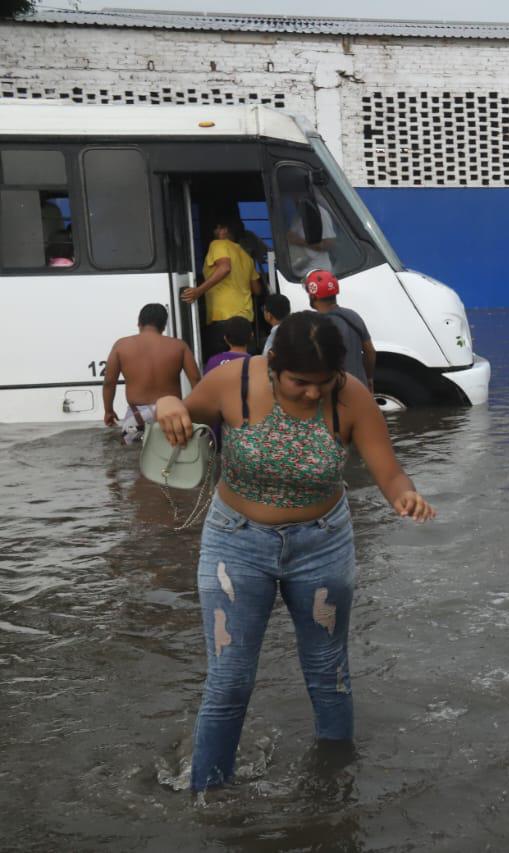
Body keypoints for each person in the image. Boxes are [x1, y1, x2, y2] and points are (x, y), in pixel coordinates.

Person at [153, 311, 436, 793]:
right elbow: (179, 417)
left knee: (329, 674)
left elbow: (389, 471)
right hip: (236, 543)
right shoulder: (232, 382)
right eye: (299, 382)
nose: (312, 393)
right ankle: (209, 797)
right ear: (273, 365)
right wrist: (166, 402)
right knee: (229, 681)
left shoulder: (351, 397)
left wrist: (404, 496)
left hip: (322, 545)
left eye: (323, 382)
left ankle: (335, 790)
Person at [102, 304, 200, 444]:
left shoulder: (121, 345)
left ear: (139, 323)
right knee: (174, 453)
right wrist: (196, 411)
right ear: (164, 326)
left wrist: (108, 411)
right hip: (171, 414)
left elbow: (109, 382)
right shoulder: (179, 346)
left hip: (137, 416)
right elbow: (195, 379)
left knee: (133, 456)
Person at [182, 216, 261, 360]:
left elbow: (225, 268)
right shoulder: (246, 256)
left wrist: (198, 291)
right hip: (245, 318)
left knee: (221, 365)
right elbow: (257, 290)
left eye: (217, 228)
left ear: (224, 230)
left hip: (224, 317)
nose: (215, 231)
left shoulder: (218, 244)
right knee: (244, 364)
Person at [305, 270, 376, 391]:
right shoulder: (353, 316)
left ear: (312, 296)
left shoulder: (314, 325)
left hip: (335, 392)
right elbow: (370, 351)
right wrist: (368, 378)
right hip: (360, 388)